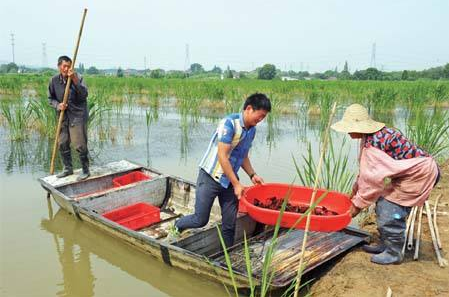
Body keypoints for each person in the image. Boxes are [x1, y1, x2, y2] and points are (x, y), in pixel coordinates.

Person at [331, 104, 440, 265]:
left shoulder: (373, 146)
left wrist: (355, 208)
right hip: (410, 173)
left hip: (419, 175)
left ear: (359, 127)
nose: (348, 132)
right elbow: (367, 172)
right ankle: (386, 243)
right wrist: (355, 189)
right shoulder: (371, 137)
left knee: (391, 210)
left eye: (349, 128)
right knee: (382, 202)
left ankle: (394, 252)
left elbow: (372, 184)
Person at [174, 93, 271, 247]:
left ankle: (227, 257)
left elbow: (243, 154)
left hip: (229, 180)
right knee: (200, 219)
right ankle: (178, 224)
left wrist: (253, 174)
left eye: (263, 118)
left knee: (229, 224)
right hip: (210, 177)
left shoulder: (251, 130)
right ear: (249, 109)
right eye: (259, 116)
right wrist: (237, 184)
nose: (260, 120)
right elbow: (222, 156)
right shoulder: (229, 123)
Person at [48, 56, 90, 181]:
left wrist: (74, 80)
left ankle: (86, 170)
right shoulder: (54, 81)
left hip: (77, 115)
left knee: (79, 144)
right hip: (63, 115)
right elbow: (50, 99)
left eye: (69, 66)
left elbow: (84, 95)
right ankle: (68, 169)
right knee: (62, 142)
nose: (67, 69)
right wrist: (58, 105)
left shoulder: (78, 78)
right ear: (59, 66)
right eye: (64, 66)